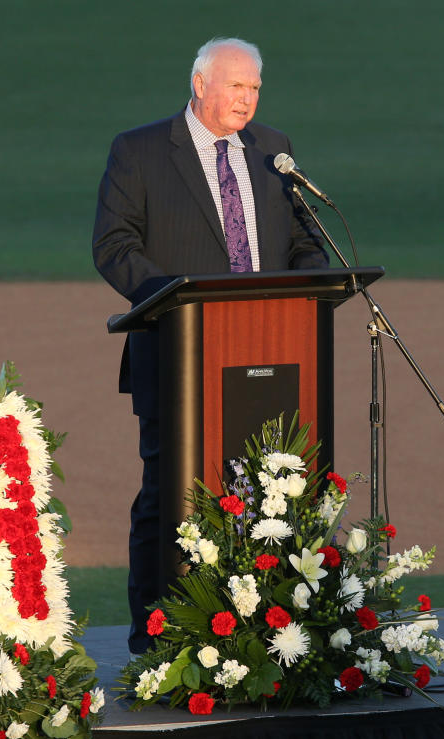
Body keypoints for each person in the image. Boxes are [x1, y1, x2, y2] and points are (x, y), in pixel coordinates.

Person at [92, 37, 329, 654]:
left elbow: (305, 241)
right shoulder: (140, 151)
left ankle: (262, 630)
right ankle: (156, 634)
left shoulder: (274, 151)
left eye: (254, 88)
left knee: (271, 491)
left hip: (272, 352)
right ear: (199, 85)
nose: (246, 100)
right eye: (234, 87)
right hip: (177, 353)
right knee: (166, 494)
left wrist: (308, 276)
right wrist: (179, 301)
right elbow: (114, 246)